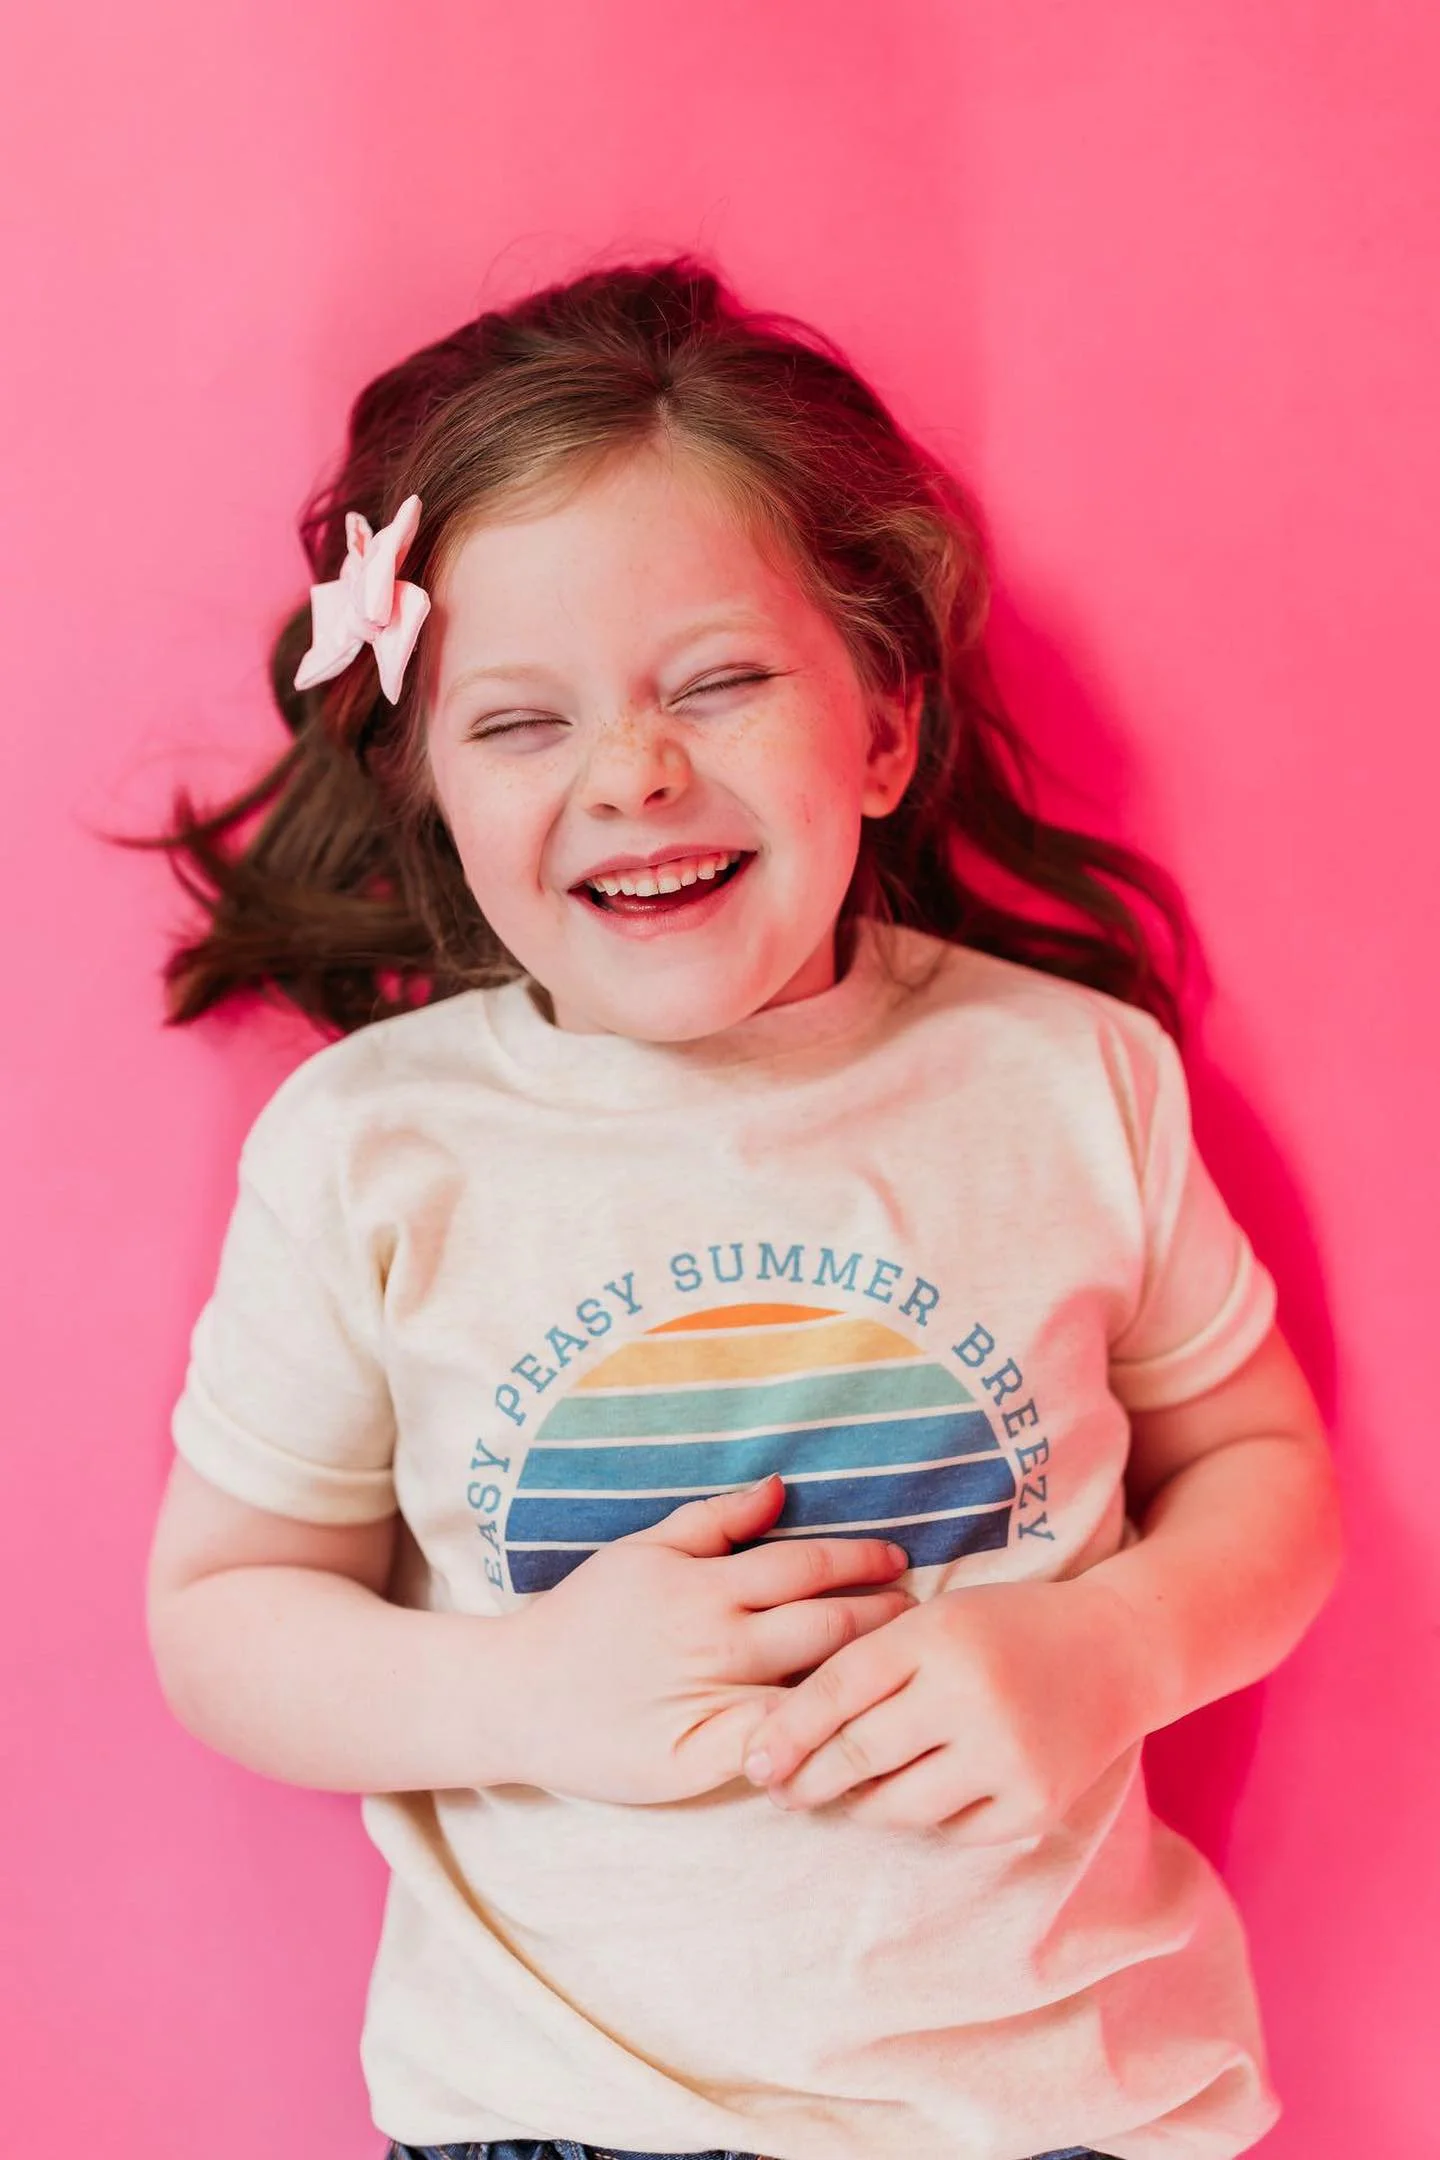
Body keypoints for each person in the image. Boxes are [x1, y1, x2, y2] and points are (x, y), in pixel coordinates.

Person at [142, 255, 1342, 2160]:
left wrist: (1108, 1652)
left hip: (1059, 2104)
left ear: (882, 727)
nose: (633, 769)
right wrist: (526, 1690)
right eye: (520, 722)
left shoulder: (1067, 1081)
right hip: (557, 2115)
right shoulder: (375, 1148)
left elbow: (1269, 1471)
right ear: (429, 784)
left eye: (715, 681)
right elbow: (221, 1615)